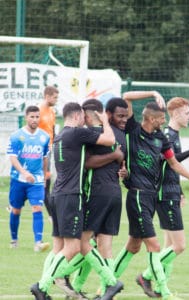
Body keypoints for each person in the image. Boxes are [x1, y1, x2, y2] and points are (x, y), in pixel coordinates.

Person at [112, 91, 189, 300]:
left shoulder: (161, 139)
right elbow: (126, 96)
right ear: (151, 119)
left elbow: (173, 163)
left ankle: (107, 284)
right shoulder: (134, 130)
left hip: (151, 197)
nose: (164, 122)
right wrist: (152, 93)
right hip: (136, 195)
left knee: (133, 246)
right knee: (155, 245)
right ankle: (163, 291)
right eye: (161, 118)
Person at [30, 102, 123, 300]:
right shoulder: (77, 133)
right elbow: (109, 139)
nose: (85, 120)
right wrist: (105, 122)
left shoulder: (60, 136)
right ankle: (43, 285)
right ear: (78, 115)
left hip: (56, 194)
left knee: (58, 248)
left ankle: (44, 288)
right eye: (83, 116)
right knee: (74, 247)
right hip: (72, 196)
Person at [136, 96, 189, 298]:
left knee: (168, 246)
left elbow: (170, 168)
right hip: (164, 195)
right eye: (187, 113)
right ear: (175, 113)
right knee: (179, 246)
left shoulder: (173, 134)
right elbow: (167, 161)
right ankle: (146, 276)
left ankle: (161, 289)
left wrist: (180, 192)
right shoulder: (167, 134)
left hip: (171, 193)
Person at [69, 98, 128, 299]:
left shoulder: (93, 134)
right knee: (104, 246)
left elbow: (88, 163)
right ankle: (102, 291)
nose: (82, 119)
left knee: (84, 243)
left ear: (91, 114)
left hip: (97, 193)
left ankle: (57, 279)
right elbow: (122, 161)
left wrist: (117, 160)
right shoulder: (120, 135)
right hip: (114, 194)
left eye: (84, 115)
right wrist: (121, 165)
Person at [7, 105, 50, 252]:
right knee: (16, 210)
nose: (35, 119)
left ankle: (38, 242)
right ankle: (14, 239)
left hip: (36, 181)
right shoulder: (16, 136)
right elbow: (13, 158)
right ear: (26, 117)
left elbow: (45, 158)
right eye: (32, 116)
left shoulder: (44, 137)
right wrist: (24, 173)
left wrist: (44, 176)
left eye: (37, 116)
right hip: (18, 180)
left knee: (37, 208)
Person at [38, 86, 59, 219]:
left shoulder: (52, 111)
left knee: (45, 180)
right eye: (55, 97)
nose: (56, 100)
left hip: (49, 150)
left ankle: (15, 203)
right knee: (43, 181)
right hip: (39, 152)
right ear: (47, 96)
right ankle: (52, 215)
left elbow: (52, 131)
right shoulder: (38, 111)